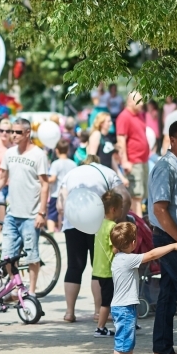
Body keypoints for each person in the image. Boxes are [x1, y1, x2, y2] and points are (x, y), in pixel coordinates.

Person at [57, 155, 131, 322]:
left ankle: (69, 312)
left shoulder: (71, 173)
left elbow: (60, 204)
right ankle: (99, 312)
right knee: (98, 268)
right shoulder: (107, 172)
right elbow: (125, 196)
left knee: (74, 267)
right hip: (98, 224)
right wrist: (120, 220)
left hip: (73, 223)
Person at [109, 222, 177, 354]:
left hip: (125, 307)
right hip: (124, 308)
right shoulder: (126, 259)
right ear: (133, 242)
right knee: (123, 341)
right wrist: (174, 246)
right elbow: (152, 255)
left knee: (128, 340)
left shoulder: (119, 258)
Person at [0, 118, 49, 295]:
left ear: (28, 133)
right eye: (11, 132)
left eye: (17, 132)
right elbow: (2, 179)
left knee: (32, 256)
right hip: (12, 214)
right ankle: (18, 287)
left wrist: (42, 212)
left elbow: (45, 185)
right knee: (7, 256)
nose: (13, 135)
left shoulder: (39, 155)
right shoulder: (9, 153)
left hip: (31, 215)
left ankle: (30, 292)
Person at [147, 117, 177, 354]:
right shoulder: (166, 167)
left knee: (168, 295)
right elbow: (160, 210)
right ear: (172, 140)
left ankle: (163, 351)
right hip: (170, 239)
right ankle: (162, 350)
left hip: (174, 238)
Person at [91, 190, 125, 338]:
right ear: (113, 209)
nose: (123, 209)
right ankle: (100, 328)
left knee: (111, 299)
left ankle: (115, 324)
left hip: (99, 269)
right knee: (107, 302)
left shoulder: (99, 224)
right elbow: (115, 248)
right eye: (121, 207)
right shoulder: (112, 226)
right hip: (109, 270)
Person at [116, 92, 150, 216]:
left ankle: (139, 223)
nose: (142, 103)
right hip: (133, 161)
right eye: (139, 101)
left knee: (141, 195)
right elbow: (121, 140)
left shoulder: (140, 115)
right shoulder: (124, 116)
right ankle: (138, 226)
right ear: (130, 101)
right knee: (136, 195)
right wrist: (124, 161)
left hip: (143, 160)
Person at [47, 140, 76, 232]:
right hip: (70, 193)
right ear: (68, 150)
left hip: (56, 194)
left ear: (56, 150)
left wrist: (43, 180)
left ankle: (51, 235)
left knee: (52, 215)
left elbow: (53, 178)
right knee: (69, 215)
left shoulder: (55, 163)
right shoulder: (73, 163)